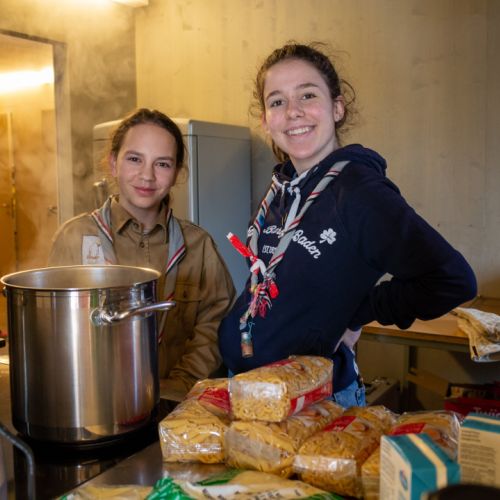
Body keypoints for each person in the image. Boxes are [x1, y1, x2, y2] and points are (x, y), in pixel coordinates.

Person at [218, 42, 477, 408]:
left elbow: (452, 280)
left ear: (337, 108)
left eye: (307, 95)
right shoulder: (283, 186)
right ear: (265, 120)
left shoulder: (358, 191)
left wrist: (360, 312)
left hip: (311, 401)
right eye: (277, 101)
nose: (292, 111)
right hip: (248, 387)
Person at [48, 108, 236, 400]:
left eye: (162, 164)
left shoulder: (198, 246)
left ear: (176, 173)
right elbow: (55, 330)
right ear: (113, 164)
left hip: (177, 404)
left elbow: (215, 325)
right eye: (134, 159)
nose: (147, 176)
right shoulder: (74, 238)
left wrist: (177, 386)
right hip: (93, 403)